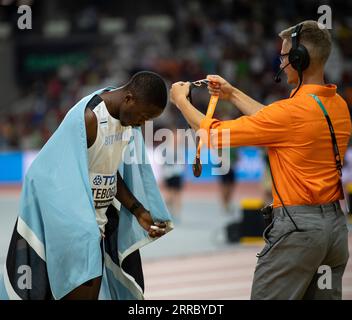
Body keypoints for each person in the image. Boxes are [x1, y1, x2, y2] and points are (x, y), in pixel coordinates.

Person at [170, 21, 351, 299]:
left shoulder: (289, 113)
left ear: (298, 60)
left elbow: (215, 136)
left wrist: (182, 102)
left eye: (283, 55)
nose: (280, 61)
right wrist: (233, 93)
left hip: (298, 231)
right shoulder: (337, 104)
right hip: (335, 230)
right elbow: (275, 122)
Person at [0, 71, 173, 300]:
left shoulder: (126, 122)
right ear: (129, 99)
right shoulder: (89, 119)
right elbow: (43, 174)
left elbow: (108, 171)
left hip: (94, 227)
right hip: (73, 229)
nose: (143, 123)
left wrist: (137, 209)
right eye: (143, 116)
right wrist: (80, 227)